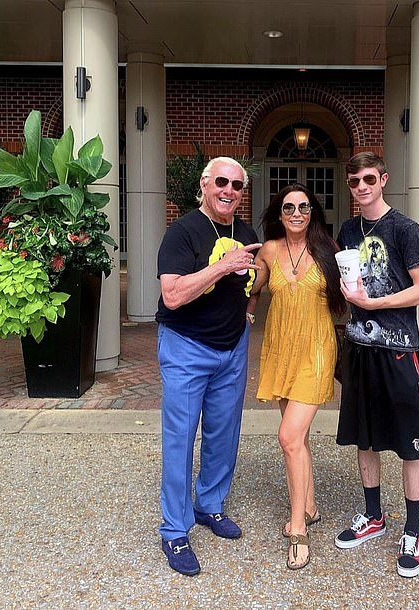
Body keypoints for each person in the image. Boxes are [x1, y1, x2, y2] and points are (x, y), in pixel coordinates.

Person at [155, 156, 261, 576]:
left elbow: (255, 278)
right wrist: (222, 266)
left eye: (237, 186)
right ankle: (174, 530)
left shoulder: (246, 232)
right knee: (180, 439)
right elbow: (173, 296)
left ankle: (210, 505)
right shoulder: (181, 232)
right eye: (222, 182)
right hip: (186, 346)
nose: (229, 191)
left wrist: (248, 310)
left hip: (232, 348)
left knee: (224, 433)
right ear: (204, 183)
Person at [333, 152, 419, 578]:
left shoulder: (405, 228)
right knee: (366, 437)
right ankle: (373, 516)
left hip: (397, 348)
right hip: (360, 347)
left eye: (368, 179)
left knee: (410, 442)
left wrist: (375, 303)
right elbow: (348, 285)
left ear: (383, 179)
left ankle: (413, 530)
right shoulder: (347, 230)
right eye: (354, 181)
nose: (361, 187)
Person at [247, 183, 346, 570]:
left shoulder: (328, 249)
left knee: (287, 437)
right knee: (298, 437)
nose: (297, 214)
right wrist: (247, 307)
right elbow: (253, 288)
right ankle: (311, 504)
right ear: (280, 212)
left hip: (316, 350)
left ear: (313, 212)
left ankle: (298, 527)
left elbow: (353, 289)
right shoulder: (269, 249)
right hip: (280, 350)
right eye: (289, 208)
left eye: (304, 207)